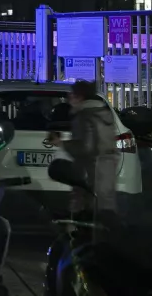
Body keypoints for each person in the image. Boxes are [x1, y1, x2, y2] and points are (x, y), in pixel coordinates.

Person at [48, 79, 118, 217]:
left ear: (79, 96)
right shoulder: (103, 113)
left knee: (83, 211)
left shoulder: (83, 115)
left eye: (71, 96)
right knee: (105, 209)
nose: (69, 100)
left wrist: (62, 143)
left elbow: (86, 147)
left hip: (89, 171)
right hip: (106, 169)